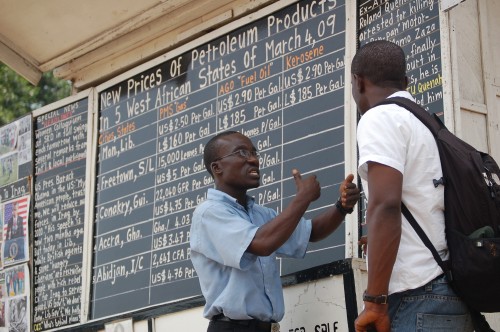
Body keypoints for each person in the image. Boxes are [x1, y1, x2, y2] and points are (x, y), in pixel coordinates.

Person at [351, 40, 473, 332]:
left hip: (418, 296)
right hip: (451, 289)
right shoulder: (427, 123)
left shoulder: (378, 118)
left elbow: (386, 205)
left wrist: (375, 302)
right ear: (406, 82)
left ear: (358, 82)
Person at [190, 130, 360, 332]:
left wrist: (342, 207)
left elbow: (311, 232)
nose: (253, 160)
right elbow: (261, 244)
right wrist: (302, 199)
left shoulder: (260, 213)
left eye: (254, 153)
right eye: (242, 153)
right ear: (217, 168)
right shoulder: (209, 213)